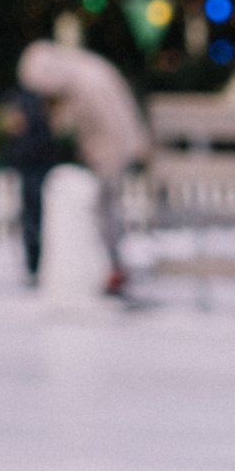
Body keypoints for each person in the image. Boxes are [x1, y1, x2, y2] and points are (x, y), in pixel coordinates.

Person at [14, 39, 152, 295]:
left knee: (104, 209)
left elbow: (90, 127)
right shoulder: (86, 71)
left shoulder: (81, 83)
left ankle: (113, 267)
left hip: (110, 153)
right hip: (114, 149)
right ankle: (112, 266)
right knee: (106, 208)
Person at [3, 80, 55, 286]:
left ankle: (36, 265)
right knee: (34, 219)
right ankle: (35, 265)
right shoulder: (38, 113)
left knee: (34, 220)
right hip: (34, 170)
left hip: (34, 171)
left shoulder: (31, 117)